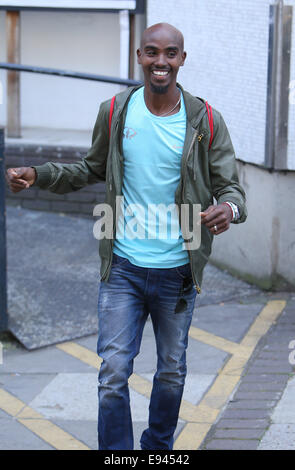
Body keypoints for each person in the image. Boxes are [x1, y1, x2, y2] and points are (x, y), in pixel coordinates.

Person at [6, 23, 247, 450]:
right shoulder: (116, 111)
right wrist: (39, 175)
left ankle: (157, 451)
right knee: (113, 373)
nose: (161, 62)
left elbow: (231, 187)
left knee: (171, 370)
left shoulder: (206, 120)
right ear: (139, 56)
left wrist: (227, 209)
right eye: (152, 53)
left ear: (182, 60)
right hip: (123, 267)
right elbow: (89, 168)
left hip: (178, 270)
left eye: (170, 54)